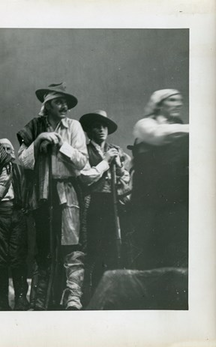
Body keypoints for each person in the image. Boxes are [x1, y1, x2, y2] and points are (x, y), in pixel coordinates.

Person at [17, 82, 88, 310]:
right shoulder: (35, 126)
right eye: (59, 102)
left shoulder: (73, 127)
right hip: (42, 194)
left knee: (71, 246)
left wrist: (61, 146)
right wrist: (38, 142)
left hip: (67, 193)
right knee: (43, 247)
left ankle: (73, 297)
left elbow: (81, 161)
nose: (64, 106)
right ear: (47, 106)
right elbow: (23, 161)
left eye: (66, 102)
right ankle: (39, 301)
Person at [130, 89, 189, 270]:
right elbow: (158, 136)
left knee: (175, 245)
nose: (178, 104)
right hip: (148, 198)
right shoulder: (145, 124)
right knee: (149, 247)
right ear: (159, 104)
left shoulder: (179, 128)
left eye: (179, 100)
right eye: (172, 100)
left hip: (174, 196)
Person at [79, 110, 131, 299]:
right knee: (94, 248)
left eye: (104, 126)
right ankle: (92, 296)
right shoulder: (84, 151)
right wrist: (106, 160)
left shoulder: (116, 150)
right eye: (96, 126)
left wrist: (118, 166)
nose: (101, 130)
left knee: (115, 248)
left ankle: (112, 295)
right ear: (88, 130)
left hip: (114, 203)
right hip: (94, 202)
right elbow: (86, 178)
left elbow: (125, 180)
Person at [0, 138, 30, 311]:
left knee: (17, 257)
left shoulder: (20, 170)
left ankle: (21, 298)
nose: (6, 151)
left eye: (9, 148)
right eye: (2, 148)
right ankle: (2, 301)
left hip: (16, 215)